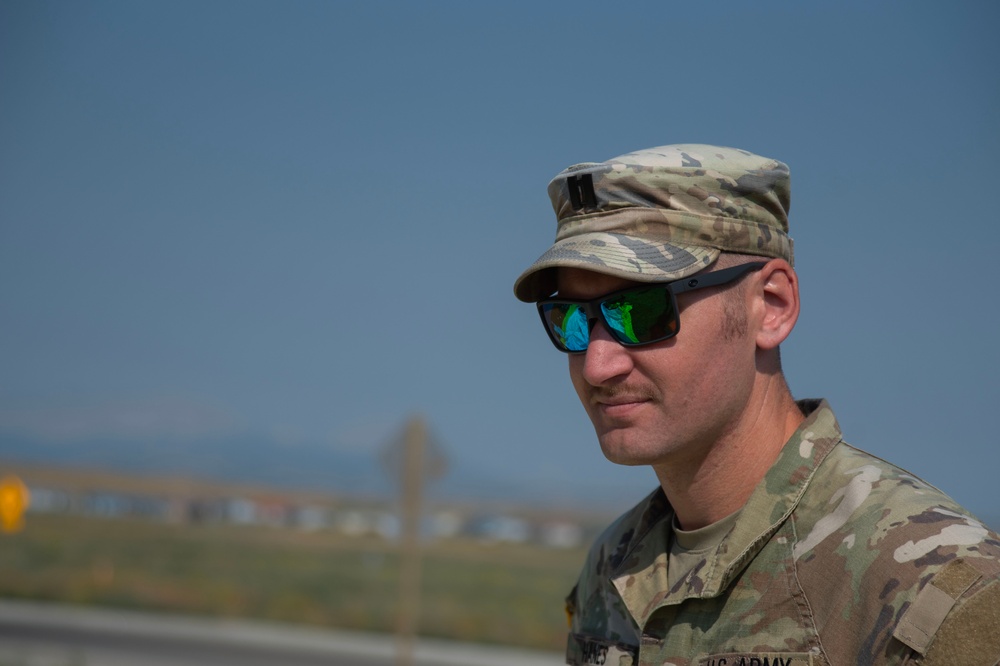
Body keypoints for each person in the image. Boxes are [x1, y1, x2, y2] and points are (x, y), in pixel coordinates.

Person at [513, 144, 1000, 666]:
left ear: (771, 306)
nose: (598, 365)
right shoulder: (612, 567)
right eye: (570, 320)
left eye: (641, 311)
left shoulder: (936, 589)